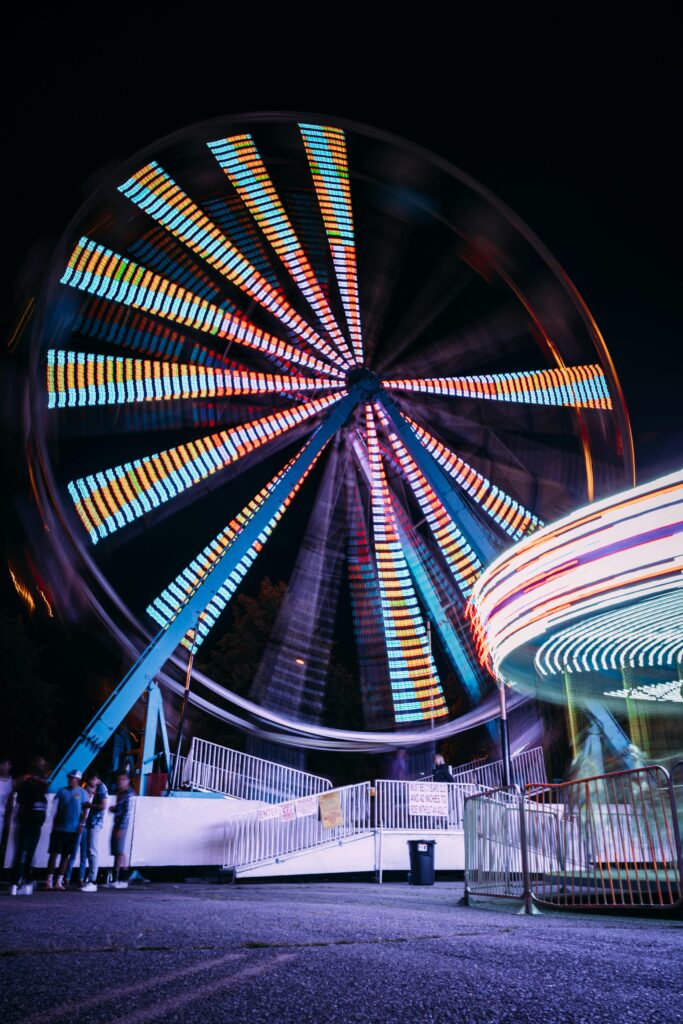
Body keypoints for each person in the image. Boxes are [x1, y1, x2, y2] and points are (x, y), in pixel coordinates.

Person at [9, 758, 49, 896]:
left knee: (21, 852)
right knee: (31, 854)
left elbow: (18, 799)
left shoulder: (25, 784)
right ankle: (27, 884)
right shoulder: (43, 786)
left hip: (25, 822)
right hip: (37, 825)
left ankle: (14, 884)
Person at [45, 769, 90, 890]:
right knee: (54, 854)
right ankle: (49, 881)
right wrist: (51, 823)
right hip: (58, 828)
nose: (70, 779)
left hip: (73, 830)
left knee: (65, 856)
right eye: (69, 777)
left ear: (78, 780)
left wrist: (82, 825)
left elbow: (85, 810)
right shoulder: (62, 791)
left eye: (73, 778)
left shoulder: (82, 793)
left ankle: (58, 882)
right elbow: (54, 808)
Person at [80, 772, 108, 892]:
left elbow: (103, 806)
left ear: (95, 778)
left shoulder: (101, 788)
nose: (89, 784)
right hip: (93, 823)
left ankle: (93, 881)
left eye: (90, 781)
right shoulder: (101, 788)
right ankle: (91, 879)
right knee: (90, 851)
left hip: (95, 823)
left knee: (92, 851)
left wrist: (89, 805)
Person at [109, 772, 134, 889]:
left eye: (123, 780)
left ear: (128, 781)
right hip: (117, 823)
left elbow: (127, 812)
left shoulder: (129, 793)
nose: (120, 782)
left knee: (120, 852)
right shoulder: (121, 793)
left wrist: (121, 828)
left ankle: (123, 880)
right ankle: (115, 880)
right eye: (119, 780)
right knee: (116, 852)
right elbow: (120, 809)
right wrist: (113, 809)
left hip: (122, 824)